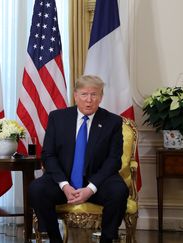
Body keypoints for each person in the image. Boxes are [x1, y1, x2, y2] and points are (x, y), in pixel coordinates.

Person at [29, 75, 129, 243]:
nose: (89, 100)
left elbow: (113, 160)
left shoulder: (112, 121)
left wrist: (90, 188)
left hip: (98, 182)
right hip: (65, 182)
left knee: (119, 191)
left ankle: (107, 239)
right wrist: (64, 185)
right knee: (37, 189)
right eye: (84, 94)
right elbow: (48, 155)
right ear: (75, 95)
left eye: (94, 94)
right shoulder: (58, 118)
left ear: (101, 97)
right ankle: (55, 238)